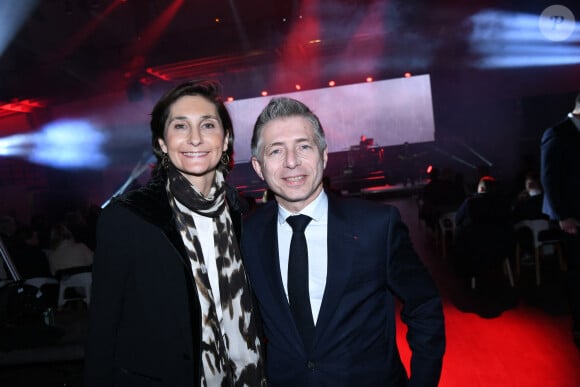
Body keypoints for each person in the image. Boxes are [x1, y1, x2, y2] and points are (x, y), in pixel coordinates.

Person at [241, 97, 445, 386]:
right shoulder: (246, 235)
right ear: (259, 167)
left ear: (323, 156)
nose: (291, 161)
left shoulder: (377, 226)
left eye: (303, 146)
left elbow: (424, 306)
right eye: (276, 151)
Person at [84, 80, 266, 386]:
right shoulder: (128, 218)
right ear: (162, 143)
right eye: (180, 126)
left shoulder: (247, 216)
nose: (195, 138)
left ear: (225, 140)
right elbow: (102, 331)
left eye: (207, 125)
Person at [540, 92, 580, 348]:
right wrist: (562, 215)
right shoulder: (557, 133)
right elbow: (549, 178)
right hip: (573, 217)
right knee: (579, 272)